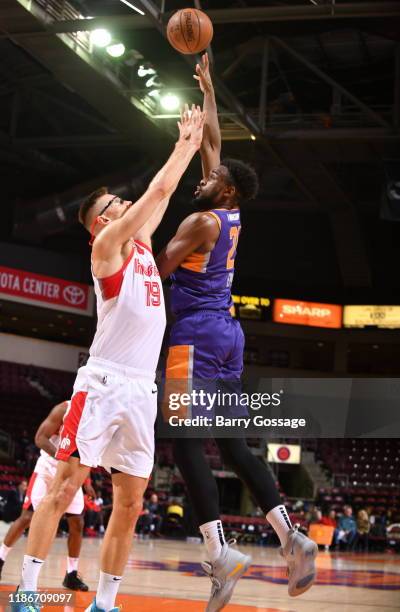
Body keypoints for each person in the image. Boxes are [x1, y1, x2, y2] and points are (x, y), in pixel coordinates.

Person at [12, 105, 206, 612]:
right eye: (119, 202)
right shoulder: (107, 246)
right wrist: (185, 143)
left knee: (132, 502)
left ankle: (105, 602)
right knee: (64, 488)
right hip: (102, 383)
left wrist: (203, 122)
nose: (129, 204)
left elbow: (160, 200)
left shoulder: (140, 242)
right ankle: (29, 593)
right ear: (102, 221)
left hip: (142, 388)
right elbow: (159, 191)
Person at [157, 54, 317, 612]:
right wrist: (207, 89)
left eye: (212, 179)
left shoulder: (200, 220)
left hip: (196, 335)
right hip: (228, 336)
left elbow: (157, 268)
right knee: (232, 443)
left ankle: (220, 552)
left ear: (225, 192)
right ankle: (290, 535)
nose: (206, 176)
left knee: (181, 440)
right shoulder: (230, 214)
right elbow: (215, 147)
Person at [0, 401, 91, 590]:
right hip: (47, 470)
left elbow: (87, 452)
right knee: (27, 518)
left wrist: (87, 482)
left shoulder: (96, 414)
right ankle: (1, 558)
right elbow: (40, 438)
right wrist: (63, 457)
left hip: (71, 474)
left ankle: (71, 574)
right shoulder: (64, 409)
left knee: (77, 523)